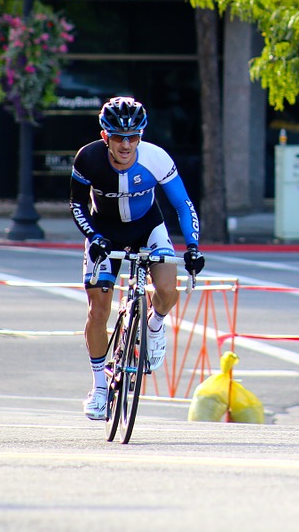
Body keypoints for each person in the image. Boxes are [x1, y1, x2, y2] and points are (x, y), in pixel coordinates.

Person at [69, 96, 205, 419]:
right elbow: (76, 205)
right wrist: (93, 237)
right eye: (118, 137)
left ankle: (155, 326)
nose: (126, 144)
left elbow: (182, 204)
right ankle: (100, 387)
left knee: (168, 288)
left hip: (148, 228)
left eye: (133, 137)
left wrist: (194, 246)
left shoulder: (156, 159)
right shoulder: (87, 159)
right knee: (98, 308)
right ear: (106, 137)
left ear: (141, 137)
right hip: (104, 233)